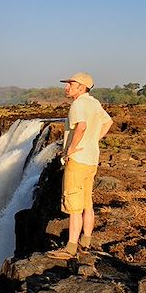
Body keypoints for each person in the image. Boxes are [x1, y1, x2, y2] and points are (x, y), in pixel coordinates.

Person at [48, 72, 112, 259]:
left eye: (70, 84)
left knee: (74, 205)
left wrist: (70, 150)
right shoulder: (94, 102)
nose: (66, 87)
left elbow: (81, 126)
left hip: (78, 160)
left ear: (81, 87)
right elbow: (109, 122)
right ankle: (86, 242)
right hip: (91, 159)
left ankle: (70, 248)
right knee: (87, 204)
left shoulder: (78, 104)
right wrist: (94, 140)